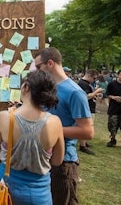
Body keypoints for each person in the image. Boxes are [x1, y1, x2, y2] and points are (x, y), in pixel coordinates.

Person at [0, 70, 65, 205]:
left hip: (5, 188)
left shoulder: (5, 117)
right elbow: (57, 161)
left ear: (25, 87)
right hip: (38, 193)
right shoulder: (54, 122)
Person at [33, 47, 94, 205]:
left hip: (63, 163)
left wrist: (50, 129)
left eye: (39, 67)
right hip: (43, 158)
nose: (37, 71)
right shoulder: (48, 88)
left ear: (50, 63)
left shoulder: (75, 92)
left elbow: (87, 131)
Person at [77, 69, 104, 155]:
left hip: (90, 107)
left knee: (87, 125)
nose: (94, 80)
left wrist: (95, 93)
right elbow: (86, 96)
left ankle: (84, 142)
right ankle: (82, 145)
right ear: (89, 75)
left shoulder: (87, 84)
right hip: (87, 108)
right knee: (86, 126)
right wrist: (96, 91)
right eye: (94, 78)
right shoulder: (83, 84)